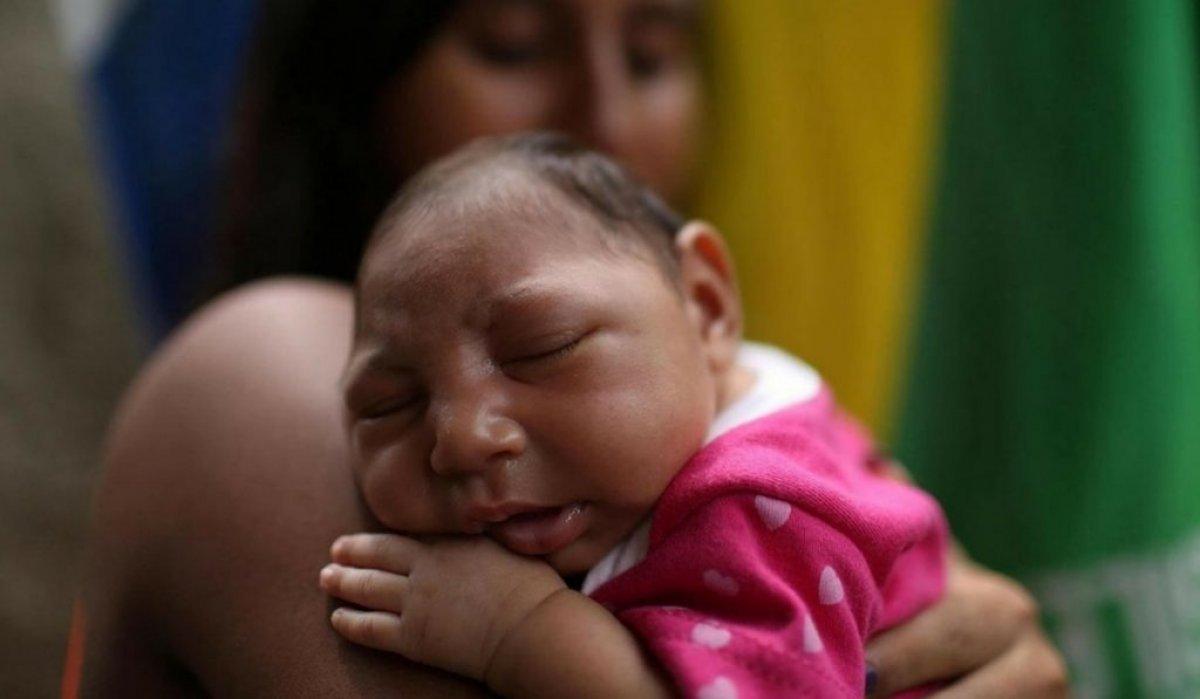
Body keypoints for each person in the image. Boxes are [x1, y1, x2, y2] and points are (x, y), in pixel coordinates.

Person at [79, 1, 1066, 696]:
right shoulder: (257, 373)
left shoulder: (757, 474)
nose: (606, 121)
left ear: (708, 303)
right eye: (511, 44)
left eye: (650, 53)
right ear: (353, 74)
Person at [318, 133, 948, 698]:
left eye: (543, 349)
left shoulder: (758, 504)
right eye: (389, 405)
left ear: (704, 306)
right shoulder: (738, 381)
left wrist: (516, 629)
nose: (459, 439)